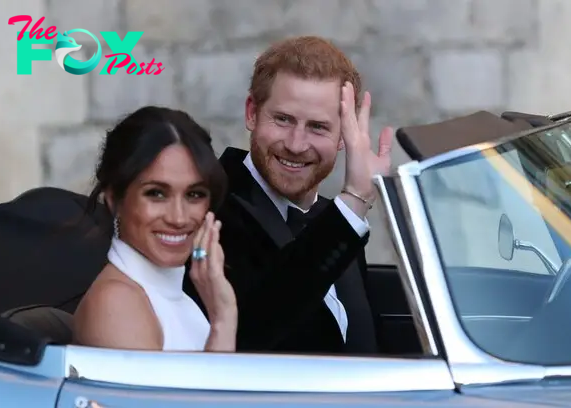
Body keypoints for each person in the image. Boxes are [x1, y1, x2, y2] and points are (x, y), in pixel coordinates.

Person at [184, 36, 393, 354]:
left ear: (343, 136)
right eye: (283, 120)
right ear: (252, 113)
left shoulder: (334, 219)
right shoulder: (207, 206)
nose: (296, 144)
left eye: (318, 127)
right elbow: (255, 333)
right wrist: (354, 201)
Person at [73, 106, 238, 352]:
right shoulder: (117, 304)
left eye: (194, 194)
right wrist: (223, 321)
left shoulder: (175, 298)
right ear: (113, 200)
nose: (179, 218)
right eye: (156, 194)